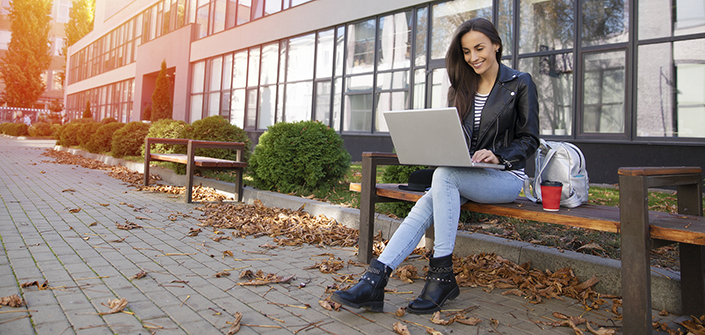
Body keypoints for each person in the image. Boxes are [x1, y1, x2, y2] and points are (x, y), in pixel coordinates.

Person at [331, 18, 540, 314]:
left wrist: (498, 156)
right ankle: (377, 278)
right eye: (466, 52)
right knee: (433, 192)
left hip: (506, 176)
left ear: (496, 45)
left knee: (444, 178)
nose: (473, 57)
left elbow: (530, 139)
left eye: (479, 48)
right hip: (464, 173)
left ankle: (436, 275)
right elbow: (454, 135)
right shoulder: (460, 88)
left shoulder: (520, 82)